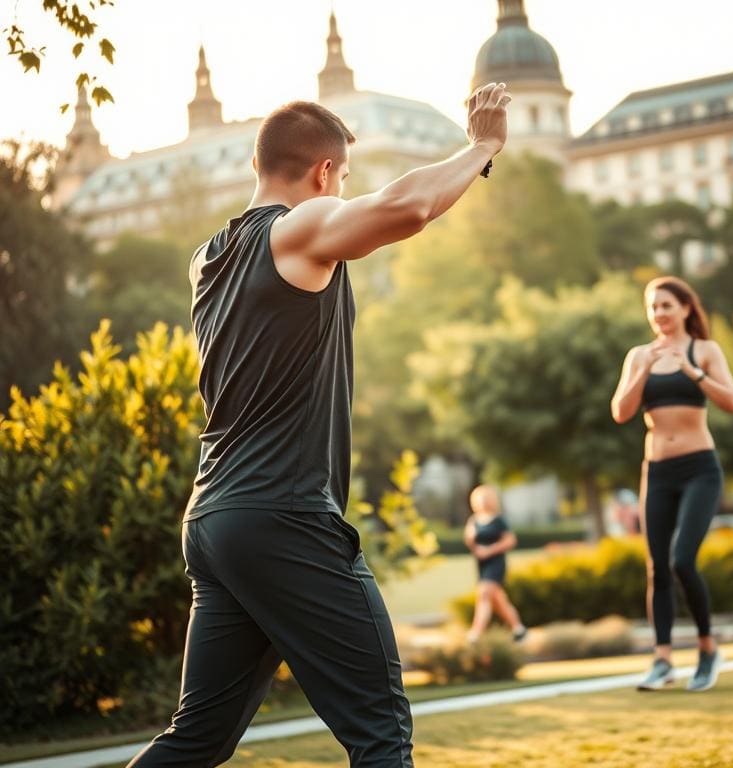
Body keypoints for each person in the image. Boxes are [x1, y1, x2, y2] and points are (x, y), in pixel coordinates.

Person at [127, 82, 512, 768]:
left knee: (196, 742)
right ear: (324, 173)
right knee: (381, 731)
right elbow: (409, 205)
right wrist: (483, 146)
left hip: (215, 519)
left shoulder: (207, 259)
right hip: (283, 515)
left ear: (256, 163)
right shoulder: (296, 229)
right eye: (343, 181)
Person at [610, 277, 733, 693]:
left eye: (667, 305)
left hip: (699, 468)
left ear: (685, 308)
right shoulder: (638, 355)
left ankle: (707, 649)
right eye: (653, 307)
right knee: (657, 569)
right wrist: (644, 370)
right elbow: (620, 412)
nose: (659, 314)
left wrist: (692, 372)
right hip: (658, 471)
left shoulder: (704, 350)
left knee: (683, 560)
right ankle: (662, 660)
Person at [463, 485, 527, 643]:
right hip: (482, 565)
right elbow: (469, 541)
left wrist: (490, 550)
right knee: (498, 600)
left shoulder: (498, 520)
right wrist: (472, 541)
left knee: (484, 594)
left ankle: (475, 634)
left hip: (496, 563)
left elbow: (510, 540)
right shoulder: (474, 520)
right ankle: (519, 629)